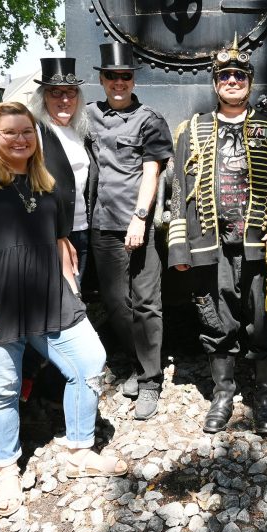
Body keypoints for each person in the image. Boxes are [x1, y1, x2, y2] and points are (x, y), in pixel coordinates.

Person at [0, 102, 126, 518]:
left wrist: (71, 290)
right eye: (10, 132)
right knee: (0, 390)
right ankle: (6, 468)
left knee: (89, 361)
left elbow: (60, 242)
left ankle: (79, 450)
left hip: (49, 297)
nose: (21, 139)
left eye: (27, 131)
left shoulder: (46, 184)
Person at [167, 38, 267, 435]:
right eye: (224, 75)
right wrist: (179, 245)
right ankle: (223, 395)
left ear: (249, 81)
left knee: (264, 324)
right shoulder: (192, 130)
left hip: (260, 248)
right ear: (215, 84)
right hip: (209, 245)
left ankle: (264, 398)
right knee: (216, 322)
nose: (231, 80)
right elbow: (179, 190)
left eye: (238, 75)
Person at [87, 42, 174, 420]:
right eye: (111, 76)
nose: (118, 83)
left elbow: (152, 171)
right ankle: (136, 362)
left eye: (125, 76)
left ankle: (150, 379)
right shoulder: (87, 116)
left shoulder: (149, 119)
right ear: (102, 79)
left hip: (137, 225)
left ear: (132, 79)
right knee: (116, 305)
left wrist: (141, 217)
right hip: (100, 225)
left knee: (146, 303)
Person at [30, 57, 97, 286]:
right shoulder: (36, 133)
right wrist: (56, 236)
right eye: (55, 93)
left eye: (71, 92)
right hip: (51, 235)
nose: (65, 99)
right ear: (43, 97)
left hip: (80, 230)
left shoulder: (80, 133)